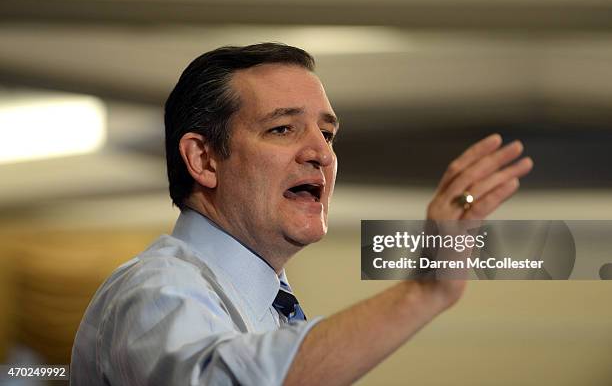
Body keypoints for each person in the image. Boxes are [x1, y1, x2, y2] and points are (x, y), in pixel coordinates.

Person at [71, 43, 533, 385]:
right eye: (282, 128)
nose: (321, 154)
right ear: (204, 159)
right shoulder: (156, 290)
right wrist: (421, 293)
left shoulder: (273, 309)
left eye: (327, 134)